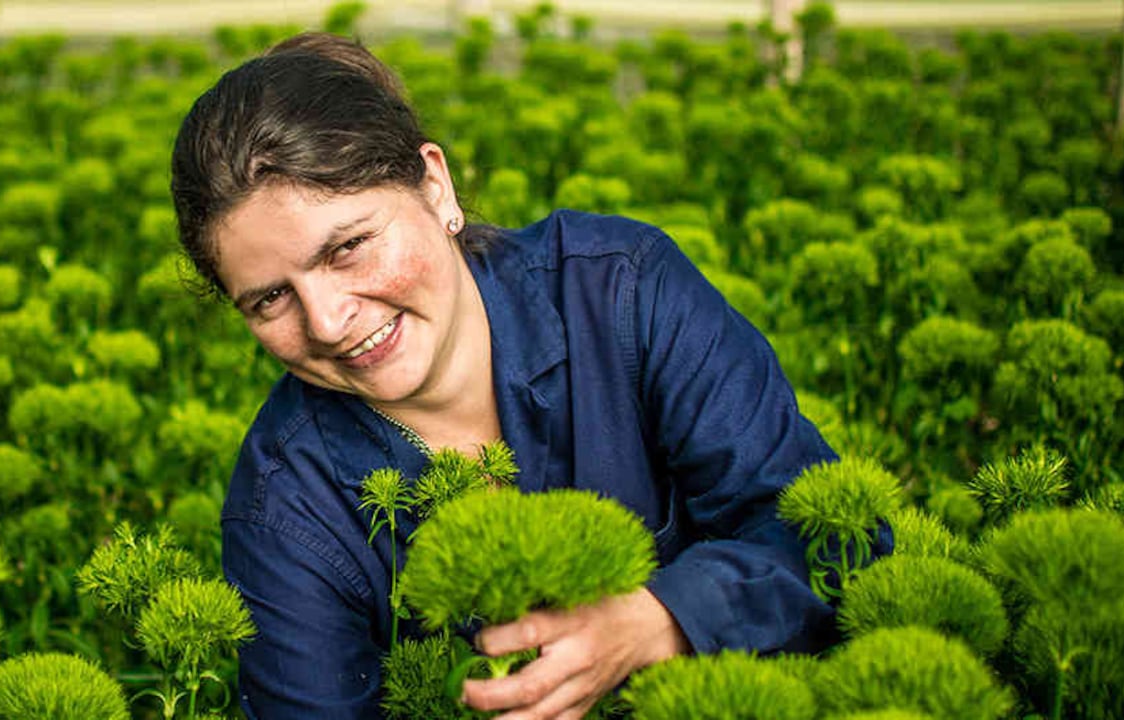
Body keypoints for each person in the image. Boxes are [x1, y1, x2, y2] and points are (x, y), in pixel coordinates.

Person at [171, 32, 882, 720]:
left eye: (349, 248)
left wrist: (663, 619)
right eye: (270, 299)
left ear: (436, 186)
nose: (327, 322)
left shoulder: (625, 293)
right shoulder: (282, 508)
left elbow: (833, 536)